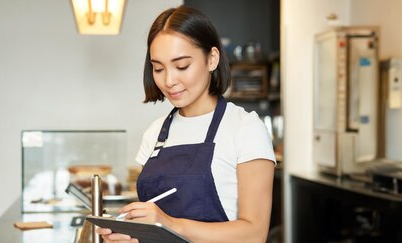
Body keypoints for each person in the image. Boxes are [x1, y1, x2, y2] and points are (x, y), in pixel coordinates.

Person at [96, 6, 276, 243]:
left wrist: (170, 224)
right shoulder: (156, 132)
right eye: (158, 68)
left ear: (212, 58)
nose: (169, 81)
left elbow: (254, 234)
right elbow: (152, 227)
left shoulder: (245, 128)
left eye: (181, 66)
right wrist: (131, 234)